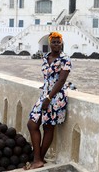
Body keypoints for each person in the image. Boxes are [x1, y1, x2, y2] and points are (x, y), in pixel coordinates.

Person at [25, 31, 72, 170]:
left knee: (48, 127)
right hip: (45, 94)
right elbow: (48, 78)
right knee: (32, 124)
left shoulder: (65, 59)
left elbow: (62, 80)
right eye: (54, 42)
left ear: (61, 43)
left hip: (55, 97)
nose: (56, 44)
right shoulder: (46, 57)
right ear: (49, 43)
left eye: (58, 42)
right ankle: (38, 158)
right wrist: (45, 92)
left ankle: (38, 160)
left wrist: (49, 98)